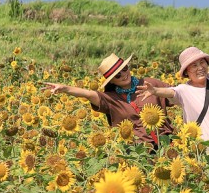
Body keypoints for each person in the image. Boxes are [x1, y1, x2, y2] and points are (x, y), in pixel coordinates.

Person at [43, 53, 174, 146]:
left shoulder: (150, 83)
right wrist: (65, 88)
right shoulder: (111, 99)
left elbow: (177, 94)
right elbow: (88, 94)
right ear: (112, 81)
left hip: (167, 142)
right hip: (139, 150)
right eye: (118, 75)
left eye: (124, 69)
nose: (123, 75)